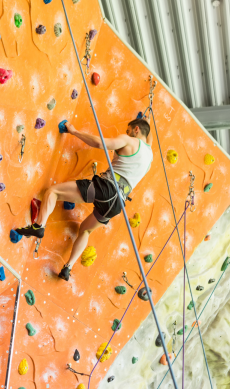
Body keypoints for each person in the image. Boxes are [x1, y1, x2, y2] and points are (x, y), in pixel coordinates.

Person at [15, 118, 153, 281]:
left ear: (136, 130)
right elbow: (148, 140)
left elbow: (101, 144)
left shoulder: (129, 141)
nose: (126, 133)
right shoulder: (149, 156)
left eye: (128, 130)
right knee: (86, 230)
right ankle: (68, 267)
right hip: (117, 204)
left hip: (107, 188)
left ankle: (39, 226)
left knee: (53, 192)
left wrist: (74, 131)